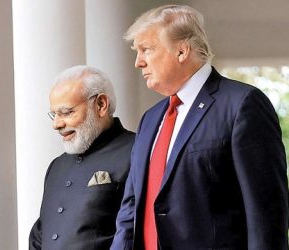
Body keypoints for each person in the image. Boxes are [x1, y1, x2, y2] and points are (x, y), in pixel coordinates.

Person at [111, 4, 288, 250]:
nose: (138, 62)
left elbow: (266, 214)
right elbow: (130, 210)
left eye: (146, 50)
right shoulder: (149, 120)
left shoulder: (242, 105)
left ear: (182, 51)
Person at [29, 65, 135, 250]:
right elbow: (40, 233)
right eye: (54, 114)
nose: (56, 124)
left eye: (67, 112)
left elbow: (138, 230)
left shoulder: (138, 151)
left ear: (101, 105)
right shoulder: (57, 165)